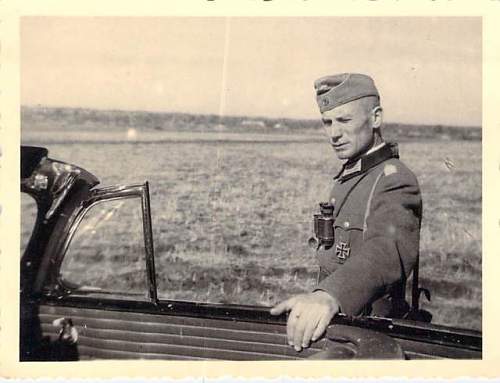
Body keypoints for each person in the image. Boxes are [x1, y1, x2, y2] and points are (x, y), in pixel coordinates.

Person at [270, 73, 422, 351]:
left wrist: (330, 295)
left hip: (371, 337)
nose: (333, 133)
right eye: (327, 122)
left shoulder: (392, 179)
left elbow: (387, 250)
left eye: (344, 120)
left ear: (376, 118)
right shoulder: (352, 175)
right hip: (339, 326)